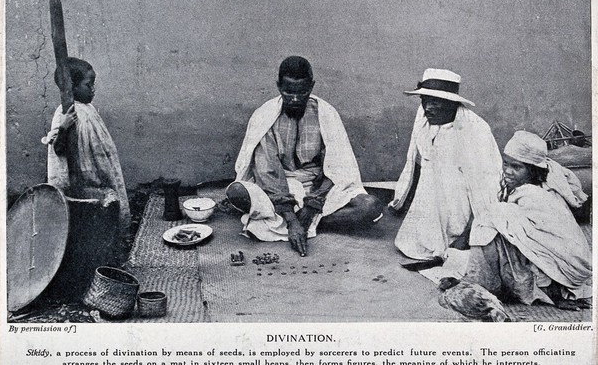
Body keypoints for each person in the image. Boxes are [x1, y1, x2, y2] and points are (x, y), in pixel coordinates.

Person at [226, 56, 384, 256]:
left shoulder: (326, 113)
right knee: (237, 192)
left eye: (301, 92)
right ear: (278, 86)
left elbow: (337, 167)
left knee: (370, 206)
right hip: (277, 188)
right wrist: (292, 219)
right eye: (288, 92)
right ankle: (302, 223)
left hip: (319, 189)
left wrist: (311, 207)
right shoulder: (265, 116)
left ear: (311, 86)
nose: (294, 99)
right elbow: (267, 171)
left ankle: (300, 223)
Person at [462, 130, 592, 310]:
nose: (508, 171)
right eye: (506, 164)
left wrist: (556, 296)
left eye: (516, 167)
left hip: (561, 270)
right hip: (555, 264)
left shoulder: (535, 196)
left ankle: (482, 285)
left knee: (490, 219)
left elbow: (545, 249)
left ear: (533, 170)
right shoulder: (530, 186)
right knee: (497, 217)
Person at [389, 68, 502, 264]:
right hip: (431, 202)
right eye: (424, 101)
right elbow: (416, 162)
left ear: (452, 103)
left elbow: (488, 187)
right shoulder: (424, 118)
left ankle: (456, 236)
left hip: (461, 207)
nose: (428, 108)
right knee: (411, 244)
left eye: (435, 102)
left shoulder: (476, 129)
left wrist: (469, 235)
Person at [44, 57, 130, 238]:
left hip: (96, 170)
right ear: (71, 88)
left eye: (93, 84)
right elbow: (58, 149)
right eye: (88, 84)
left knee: (108, 204)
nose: (93, 89)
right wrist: (64, 127)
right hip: (83, 176)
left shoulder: (87, 108)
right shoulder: (65, 113)